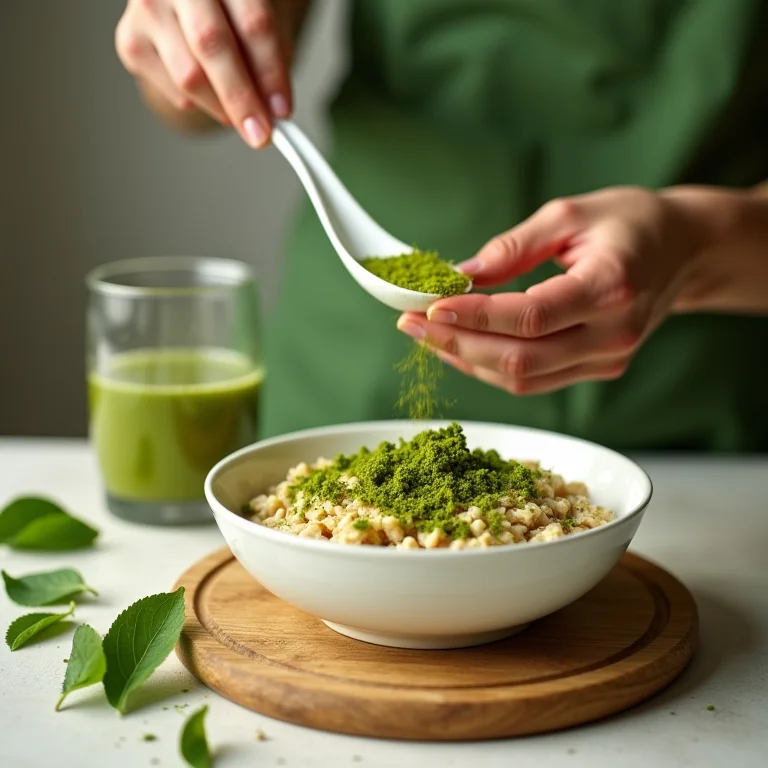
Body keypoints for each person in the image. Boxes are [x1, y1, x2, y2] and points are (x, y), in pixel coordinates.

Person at [115, 0, 768, 451]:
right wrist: (201, 37)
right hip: (346, 389)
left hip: (692, 430)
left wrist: (697, 243)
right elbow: (185, 102)